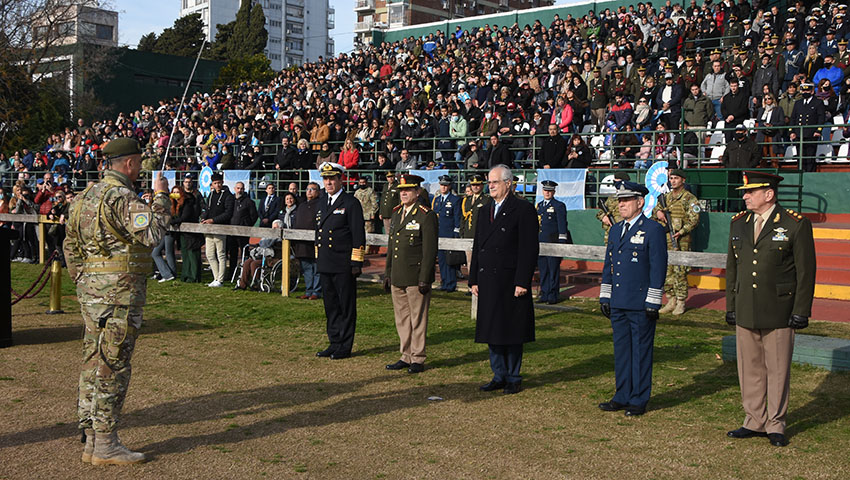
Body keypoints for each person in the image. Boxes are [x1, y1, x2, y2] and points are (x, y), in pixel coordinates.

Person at [63, 138, 171, 465]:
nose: (139, 169)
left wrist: (83, 279)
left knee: (93, 360)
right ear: (128, 164)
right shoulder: (122, 198)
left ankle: (92, 438)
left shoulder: (83, 198)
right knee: (114, 364)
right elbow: (153, 233)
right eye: (138, 162)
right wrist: (162, 197)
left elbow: (69, 245)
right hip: (120, 296)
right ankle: (106, 443)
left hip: (91, 295)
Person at [725, 171, 815, 448]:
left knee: (777, 368)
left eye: (751, 191)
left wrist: (801, 310)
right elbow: (733, 268)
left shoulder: (794, 224)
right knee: (749, 367)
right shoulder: (739, 224)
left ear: (769, 194)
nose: (745, 196)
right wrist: (731, 305)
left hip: (779, 308)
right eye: (745, 191)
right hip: (746, 307)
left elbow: (806, 271)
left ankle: (775, 423)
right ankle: (754, 419)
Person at [598, 180, 667, 416]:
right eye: (619, 200)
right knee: (622, 351)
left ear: (640, 202)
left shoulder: (653, 230)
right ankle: (622, 395)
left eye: (626, 200)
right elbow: (609, 264)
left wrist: (653, 301)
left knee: (640, 352)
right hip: (618, 301)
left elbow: (658, 268)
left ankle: (638, 398)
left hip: (640, 303)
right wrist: (605, 295)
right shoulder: (616, 229)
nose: (621, 205)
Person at [469, 165, 538, 395]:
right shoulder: (485, 210)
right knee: (491, 329)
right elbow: (478, 246)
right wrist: (473, 278)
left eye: (495, 182)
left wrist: (522, 281)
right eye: (489, 182)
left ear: (508, 183)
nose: (490, 186)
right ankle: (498, 374)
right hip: (488, 279)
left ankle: (513, 376)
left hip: (510, 280)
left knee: (511, 330)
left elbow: (528, 249)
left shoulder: (523, 209)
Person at [382, 174, 438, 374]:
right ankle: (405, 355)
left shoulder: (426, 215)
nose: (403, 193)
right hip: (398, 274)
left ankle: (418, 357)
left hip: (416, 276)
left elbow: (429, 250)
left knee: (418, 318)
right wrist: (387, 272)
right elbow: (392, 246)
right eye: (401, 190)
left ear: (417, 192)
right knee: (402, 318)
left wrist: (425, 277)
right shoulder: (397, 213)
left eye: (408, 190)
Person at [314, 162, 366, 360]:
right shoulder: (322, 202)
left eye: (332, 179)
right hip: (326, 262)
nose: (328, 183)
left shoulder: (350, 203)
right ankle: (334, 341)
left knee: (346, 306)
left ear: (340, 179)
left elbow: (358, 235)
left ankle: (345, 345)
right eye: (325, 179)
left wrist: (356, 263)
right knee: (331, 306)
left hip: (344, 264)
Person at [653, 169, 701, 315]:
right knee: (667, 271)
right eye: (671, 178)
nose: (673, 181)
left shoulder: (689, 199)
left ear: (683, 180)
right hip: (665, 239)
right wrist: (658, 213)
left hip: (681, 241)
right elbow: (655, 211)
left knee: (680, 272)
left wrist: (681, 232)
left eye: (676, 178)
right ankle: (670, 299)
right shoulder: (666, 198)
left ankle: (681, 302)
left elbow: (694, 219)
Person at [536, 180, 568, 305]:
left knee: (553, 269)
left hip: (553, 242)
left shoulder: (558, 205)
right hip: (541, 242)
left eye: (549, 191)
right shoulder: (539, 205)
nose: (547, 193)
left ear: (553, 192)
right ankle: (544, 293)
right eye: (545, 190)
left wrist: (562, 241)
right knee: (543, 269)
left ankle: (553, 294)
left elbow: (562, 224)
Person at [200, 172, 234, 287]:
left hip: (220, 228)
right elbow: (207, 209)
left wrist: (213, 220)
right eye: (215, 183)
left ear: (222, 182)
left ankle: (220, 279)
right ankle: (215, 278)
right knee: (209, 254)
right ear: (212, 184)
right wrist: (204, 218)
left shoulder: (228, 196)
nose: (217, 185)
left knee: (221, 254)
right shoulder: (211, 195)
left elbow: (228, 213)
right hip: (209, 229)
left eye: (219, 183)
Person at [431, 175, 461, 292]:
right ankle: (444, 282)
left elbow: (457, 217)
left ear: (449, 186)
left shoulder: (455, 200)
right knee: (442, 260)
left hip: (449, 233)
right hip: (438, 233)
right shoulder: (437, 200)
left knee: (450, 260)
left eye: (445, 185)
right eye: (442, 185)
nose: (443, 187)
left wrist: (456, 232)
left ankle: (451, 283)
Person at [293, 182, 322, 300]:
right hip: (302, 243)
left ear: (318, 192)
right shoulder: (302, 205)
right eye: (308, 189)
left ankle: (317, 291)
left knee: (317, 268)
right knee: (306, 268)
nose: (309, 191)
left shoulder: (321, 204)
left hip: (315, 242)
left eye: (312, 189)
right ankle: (308, 290)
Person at [234, 220, 282, 290]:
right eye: (273, 227)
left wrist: (264, 244)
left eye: (275, 228)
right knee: (247, 263)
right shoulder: (269, 235)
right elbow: (262, 243)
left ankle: (256, 284)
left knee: (254, 264)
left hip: (271, 258)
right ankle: (242, 285)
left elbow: (266, 244)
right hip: (261, 254)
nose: (273, 229)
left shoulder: (279, 238)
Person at [788, 83, 826, 171]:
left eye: (807, 90)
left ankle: (809, 175)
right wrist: (791, 131)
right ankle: (801, 172)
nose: (805, 92)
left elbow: (821, 118)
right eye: (803, 90)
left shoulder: (818, 102)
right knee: (800, 157)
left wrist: (818, 130)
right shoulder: (798, 103)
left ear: (812, 91)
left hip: (811, 134)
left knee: (810, 157)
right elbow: (793, 118)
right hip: (799, 134)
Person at [459, 173, 490, 271]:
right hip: (468, 235)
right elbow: (463, 218)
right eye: (473, 185)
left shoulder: (487, 200)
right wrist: (462, 232)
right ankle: (471, 285)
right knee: (470, 261)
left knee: (481, 262)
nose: (475, 187)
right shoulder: (466, 200)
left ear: (482, 185)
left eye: (478, 185)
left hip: (481, 235)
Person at [228, 181, 259, 276]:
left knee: (244, 253)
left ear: (244, 189)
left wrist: (246, 225)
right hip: (232, 232)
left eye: (241, 188)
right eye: (238, 188)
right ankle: (231, 273)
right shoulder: (231, 200)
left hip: (243, 233)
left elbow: (254, 216)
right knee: (232, 253)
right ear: (234, 189)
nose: (239, 190)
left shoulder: (249, 202)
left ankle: (245, 273)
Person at [151, 186, 181, 282]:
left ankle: (167, 274)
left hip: (167, 230)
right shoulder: (168, 201)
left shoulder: (166, 201)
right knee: (167, 252)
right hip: (165, 229)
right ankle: (171, 274)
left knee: (157, 253)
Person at [596, 172, 631, 243]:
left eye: (617, 182)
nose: (615, 184)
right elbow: (600, 212)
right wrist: (604, 217)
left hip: (625, 233)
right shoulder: (612, 198)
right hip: (610, 235)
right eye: (614, 182)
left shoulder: (631, 197)